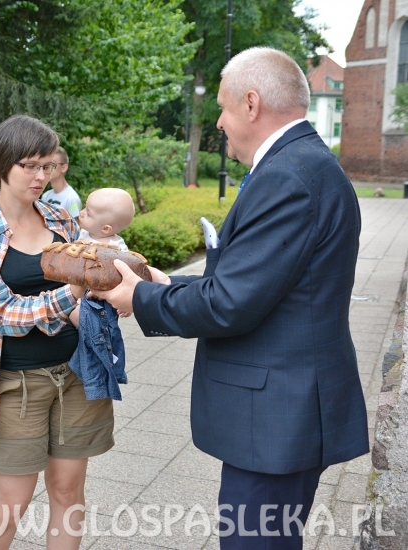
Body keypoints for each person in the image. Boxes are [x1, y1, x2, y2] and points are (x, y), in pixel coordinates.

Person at [94, 47, 369, 550]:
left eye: (221, 108)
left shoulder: (288, 177)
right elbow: (256, 284)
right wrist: (164, 283)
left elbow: (230, 304)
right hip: (284, 412)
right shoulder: (302, 165)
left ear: (250, 103)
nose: (218, 122)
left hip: (277, 419)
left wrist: (141, 298)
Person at [0, 115, 114, 550]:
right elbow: (1, 312)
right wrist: (73, 291)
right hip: (14, 383)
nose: (42, 176)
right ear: (3, 164)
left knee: (67, 492)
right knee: (11, 502)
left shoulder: (59, 218)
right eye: (30, 166)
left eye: (48, 166)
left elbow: (96, 271)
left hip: (76, 373)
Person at [40, 146, 81, 219]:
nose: (48, 169)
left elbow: (75, 228)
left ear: (64, 168)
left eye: (52, 165)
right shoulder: (45, 196)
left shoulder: (72, 198)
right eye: (46, 165)